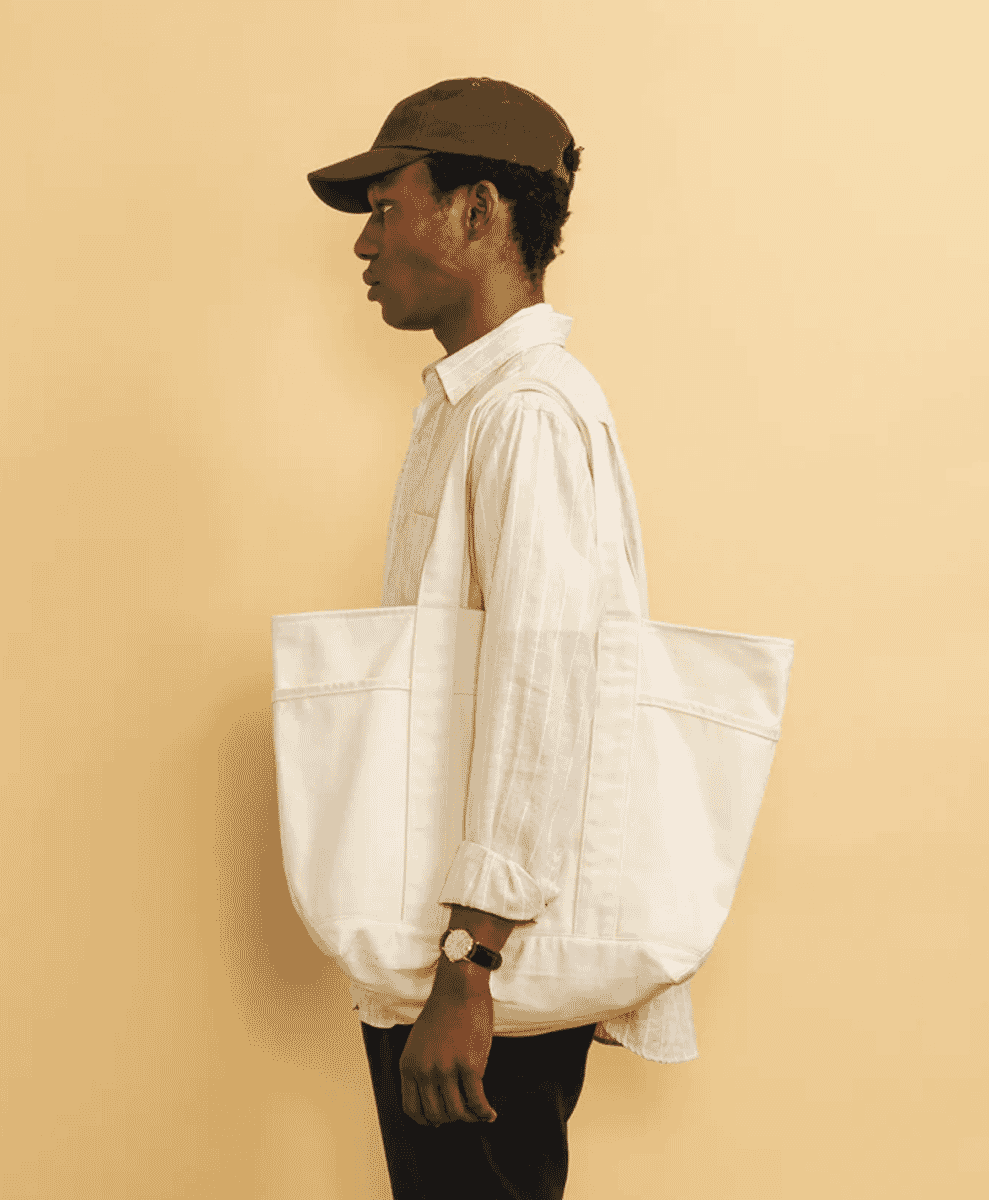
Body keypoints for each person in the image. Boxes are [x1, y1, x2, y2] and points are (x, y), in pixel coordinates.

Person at [306, 77, 697, 1200]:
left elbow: (543, 687)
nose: (365, 244)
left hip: (479, 965)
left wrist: (468, 965)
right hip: (457, 949)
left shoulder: (524, 411)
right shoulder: (475, 406)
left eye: (388, 206)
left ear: (478, 212)